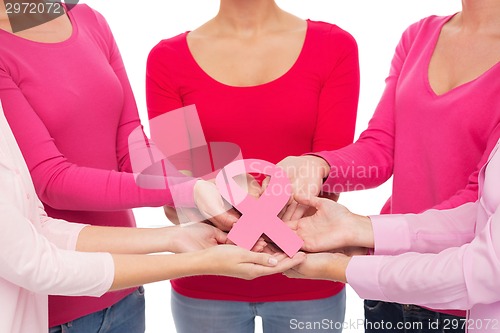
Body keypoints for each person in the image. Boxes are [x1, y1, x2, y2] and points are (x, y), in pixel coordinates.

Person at [0, 2, 237, 332]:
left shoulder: (88, 19)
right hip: (57, 304)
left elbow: (132, 144)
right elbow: (52, 181)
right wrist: (186, 189)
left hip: (127, 289)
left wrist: (203, 192)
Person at [276, 0, 500, 330]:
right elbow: (380, 148)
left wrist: (369, 237)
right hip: (382, 283)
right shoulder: (419, 35)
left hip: (455, 295)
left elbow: (479, 201)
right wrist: (318, 164)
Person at [0, 101, 305, 333]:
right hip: (52, 309)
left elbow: (38, 229)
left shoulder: (89, 23)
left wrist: (175, 235)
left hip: (122, 298)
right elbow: (36, 260)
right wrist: (189, 200)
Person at [146, 0, 359, 331]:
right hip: (208, 281)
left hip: (308, 277)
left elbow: (331, 179)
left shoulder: (333, 47)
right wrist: (237, 210)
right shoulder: (167, 60)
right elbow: (175, 198)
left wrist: (248, 212)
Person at [283, 137, 500, 333]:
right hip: (398, 284)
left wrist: (340, 267)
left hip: (445, 300)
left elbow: (481, 271)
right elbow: (482, 214)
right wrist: (361, 229)